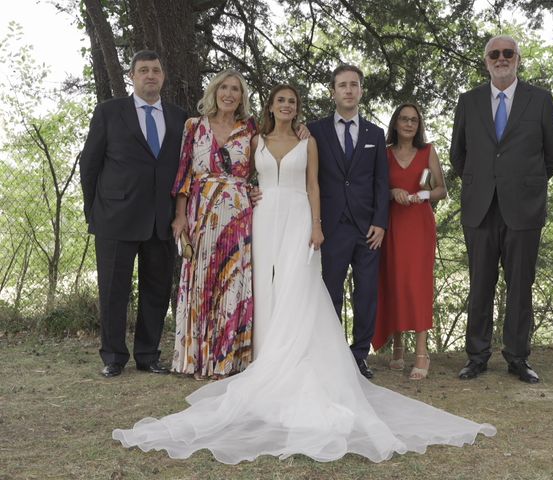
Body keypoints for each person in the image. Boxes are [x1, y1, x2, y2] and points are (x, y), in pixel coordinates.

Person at [112, 84, 496, 463]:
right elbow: (235, 171)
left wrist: (316, 224)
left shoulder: (309, 139)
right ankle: (259, 354)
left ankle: (298, 357)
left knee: (300, 284)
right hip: (261, 219)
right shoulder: (255, 136)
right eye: (280, 100)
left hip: (299, 217)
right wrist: (248, 194)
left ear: (298, 108)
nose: (286, 106)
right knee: (262, 286)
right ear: (271, 106)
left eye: (292, 102)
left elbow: (314, 185)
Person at [450, 35, 553, 383]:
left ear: (518, 58)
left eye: (507, 53)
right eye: (494, 54)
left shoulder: (540, 101)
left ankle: (517, 358)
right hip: (480, 208)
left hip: (523, 209)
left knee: (520, 286)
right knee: (480, 283)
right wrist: (484, 180)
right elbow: (458, 154)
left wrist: (522, 182)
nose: (501, 58)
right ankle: (477, 356)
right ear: (486, 61)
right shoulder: (468, 102)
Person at [80, 50, 187, 378]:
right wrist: (93, 210)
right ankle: (113, 356)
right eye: (143, 70)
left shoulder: (180, 118)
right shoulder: (110, 112)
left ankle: (148, 354)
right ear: (133, 76)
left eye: (156, 70)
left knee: (155, 290)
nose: (150, 75)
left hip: (161, 219)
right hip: (115, 216)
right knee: (114, 290)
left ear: (163, 76)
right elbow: (90, 164)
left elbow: (184, 169)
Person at [170, 69, 256, 380]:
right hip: (201, 211)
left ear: (242, 97)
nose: (230, 94)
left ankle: (227, 360)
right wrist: (180, 216)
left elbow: (271, 160)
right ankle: (199, 360)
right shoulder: (194, 126)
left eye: (236, 89)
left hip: (238, 214)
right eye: (224, 88)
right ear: (214, 92)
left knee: (232, 281)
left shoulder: (250, 129)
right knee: (201, 282)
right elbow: (184, 174)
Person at [307, 64, 389, 379]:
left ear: (361, 90)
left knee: (367, 291)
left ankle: (359, 356)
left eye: (354, 84)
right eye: (342, 85)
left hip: (368, 228)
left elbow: (381, 181)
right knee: (331, 291)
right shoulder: (315, 130)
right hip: (331, 225)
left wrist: (380, 223)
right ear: (333, 91)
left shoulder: (374, 134)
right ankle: (332, 352)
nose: (349, 90)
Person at [372, 103, 447, 380]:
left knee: (418, 284)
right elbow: (376, 186)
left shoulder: (428, 151)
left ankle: (421, 352)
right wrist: (393, 192)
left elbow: (441, 189)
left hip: (418, 224)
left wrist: (422, 196)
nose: (408, 124)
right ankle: (398, 347)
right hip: (392, 223)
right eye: (404, 119)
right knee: (394, 281)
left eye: (414, 120)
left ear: (419, 124)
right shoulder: (385, 152)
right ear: (395, 123)